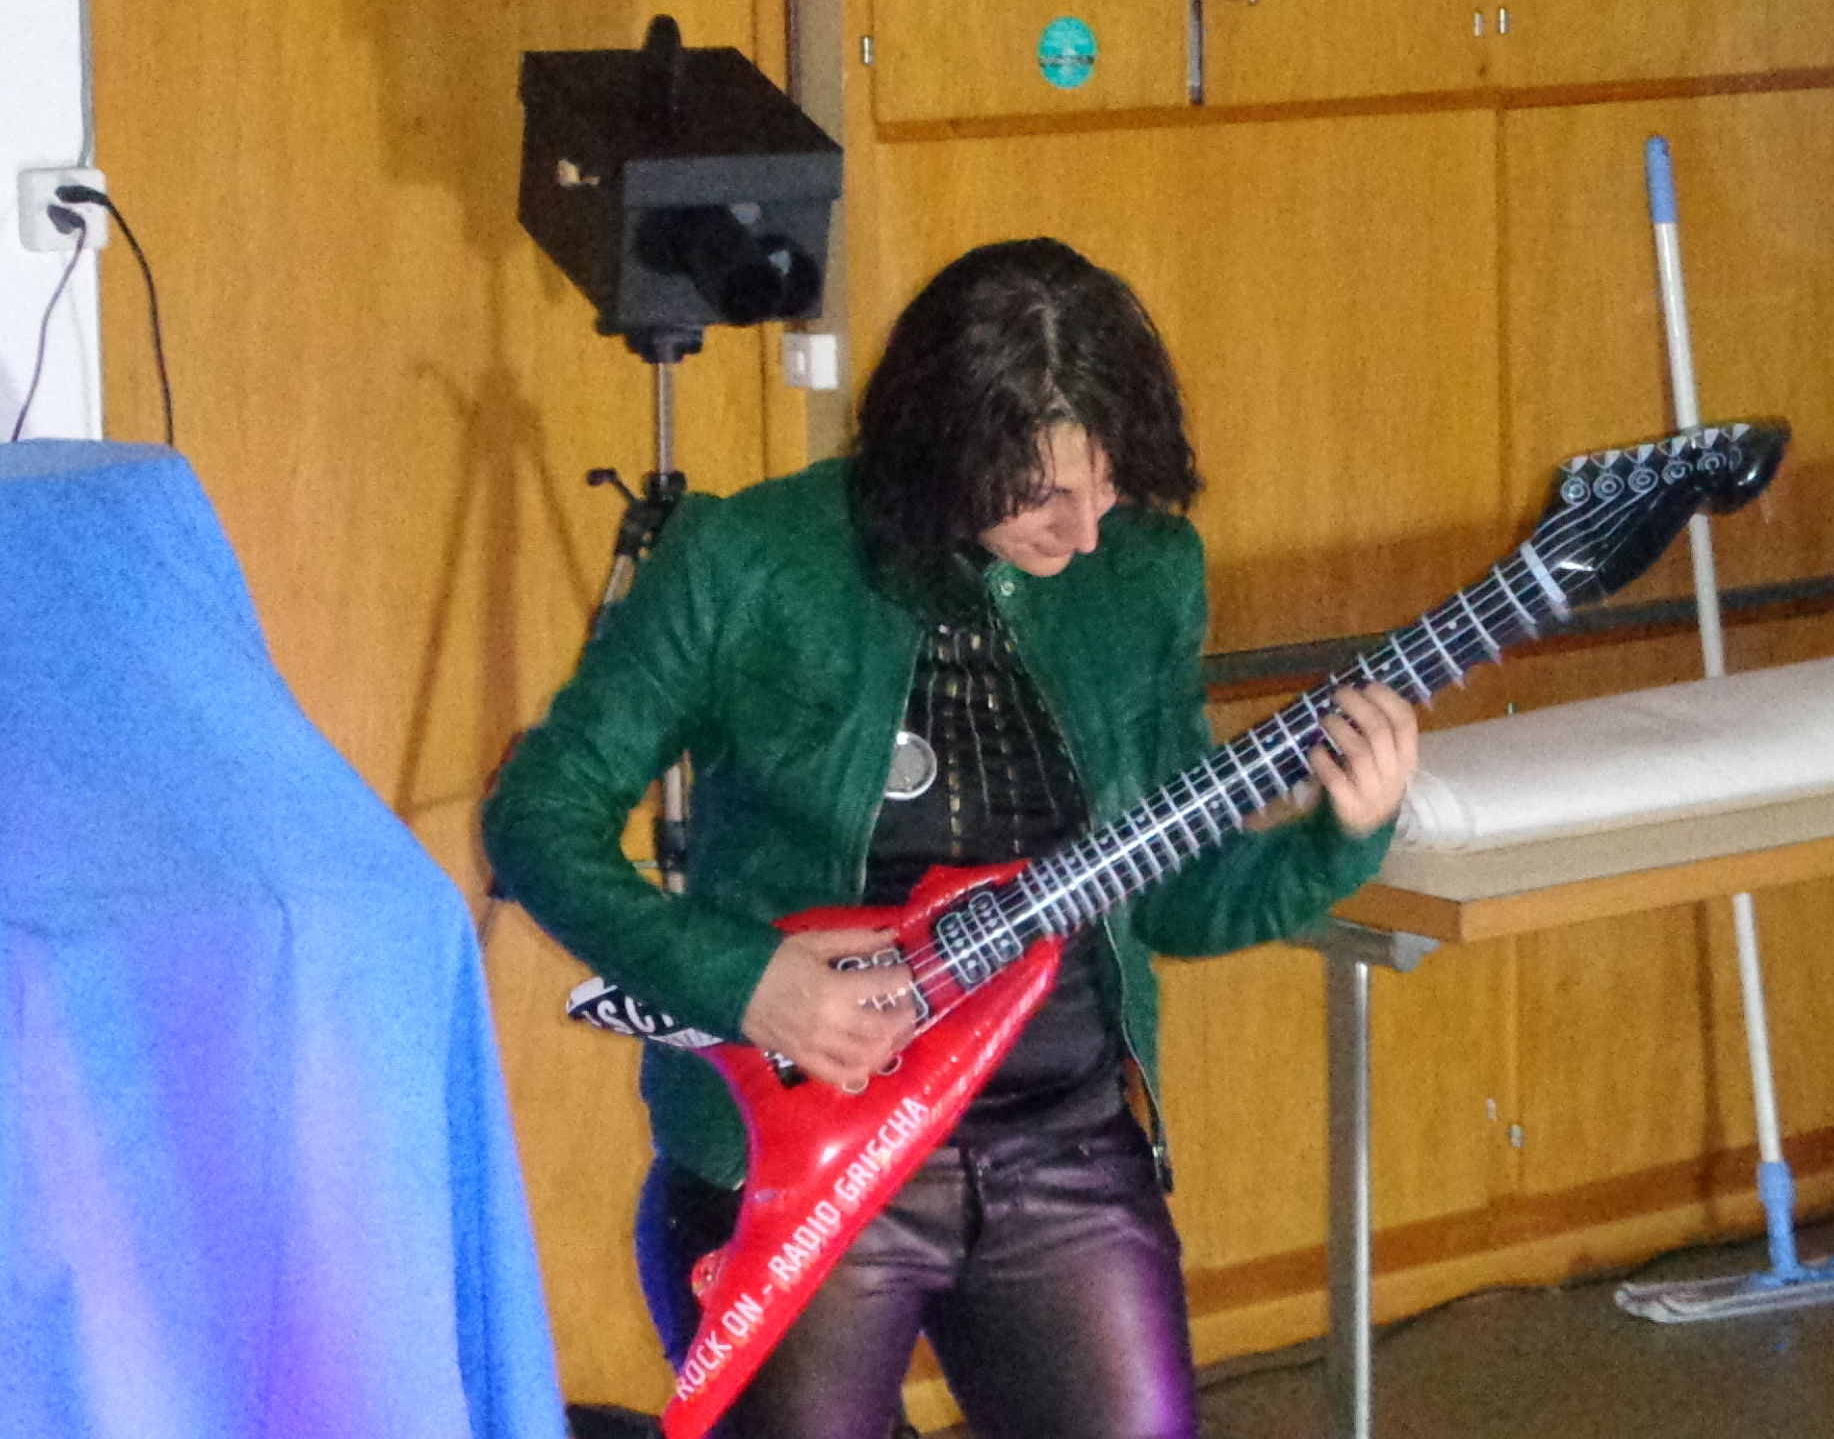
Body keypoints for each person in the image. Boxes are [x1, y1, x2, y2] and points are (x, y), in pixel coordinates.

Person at [483, 237, 1419, 1439]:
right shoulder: (748, 561)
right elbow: (536, 818)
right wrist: (749, 982)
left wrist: (1340, 837)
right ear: (942, 446)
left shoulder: (1145, 576)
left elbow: (1175, 897)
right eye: (1042, 495)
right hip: (802, 1158)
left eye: (1106, 487)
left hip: (1063, 1153)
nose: (1086, 533)